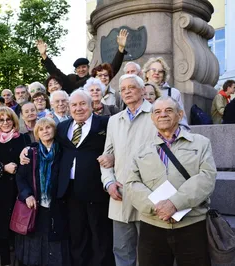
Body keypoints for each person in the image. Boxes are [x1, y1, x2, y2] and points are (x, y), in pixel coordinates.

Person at [22, 90, 115, 265]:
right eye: (74, 105)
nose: (78, 108)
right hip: (69, 191)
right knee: (77, 234)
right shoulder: (63, 127)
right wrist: (27, 149)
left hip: (96, 190)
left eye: (82, 104)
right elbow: (46, 140)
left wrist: (113, 157)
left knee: (100, 234)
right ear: (69, 107)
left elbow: (119, 144)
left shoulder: (105, 123)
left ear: (91, 105)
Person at [126, 96, 216, 266]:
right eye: (157, 112)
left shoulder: (201, 143)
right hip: (152, 225)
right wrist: (158, 207)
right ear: (152, 118)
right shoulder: (140, 149)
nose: (163, 115)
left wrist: (174, 203)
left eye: (169, 110)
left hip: (191, 224)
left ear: (180, 114)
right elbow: (131, 183)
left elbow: (207, 177)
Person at [100, 74, 157, 266]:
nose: (127, 92)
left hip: (149, 195)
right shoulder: (114, 120)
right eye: (123, 89)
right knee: (122, 251)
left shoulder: (157, 114)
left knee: (150, 254)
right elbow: (105, 157)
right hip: (120, 196)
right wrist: (108, 183)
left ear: (142, 90)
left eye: (131, 87)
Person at [15, 117, 70, 266]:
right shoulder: (31, 153)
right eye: (41, 129)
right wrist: (27, 195)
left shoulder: (63, 152)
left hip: (58, 205)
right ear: (37, 133)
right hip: (36, 206)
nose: (45, 131)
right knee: (35, 245)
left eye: (48, 128)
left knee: (56, 244)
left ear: (54, 130)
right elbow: (20, 177)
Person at [0, 107, 31, 266]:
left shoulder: (23, 139)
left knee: (20, 231)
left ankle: (21, 262)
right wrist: (3, 168)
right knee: (1, 233)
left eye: (8, 119)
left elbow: (29, 163)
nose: (5, 123)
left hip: (19, 190)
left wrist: (12, 166)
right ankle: (5, 263)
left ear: (14, 120)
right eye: (1, 120)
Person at [36, 29, 129, 93]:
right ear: (75, 70)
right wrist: (44, 55)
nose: (81, 70)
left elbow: (112, 69)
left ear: (88, 68)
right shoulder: (70, 81)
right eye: (78, 68)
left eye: (84, 67)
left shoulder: (94, 78)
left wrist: (120, 49)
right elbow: (55, 72)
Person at [142, 57, 189, 129]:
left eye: (160, 71)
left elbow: (182, 121)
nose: (156, 73)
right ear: (147, 73)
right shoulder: (139, 92)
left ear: (164, 75)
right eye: (153, 70)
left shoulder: (173, 93)